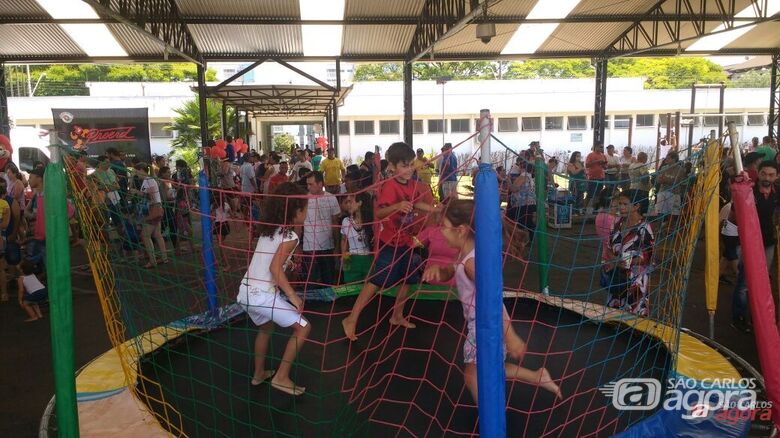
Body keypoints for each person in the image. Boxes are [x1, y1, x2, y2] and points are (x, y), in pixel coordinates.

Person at [421, 199, 561, 401]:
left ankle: (491, 423)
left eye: (443, 226)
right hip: (480, 323)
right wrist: (438, 271)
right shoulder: (466, 254)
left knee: (473, 375)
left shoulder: (472, 263)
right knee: (490, 369)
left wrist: (510, 336)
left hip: (486, 324)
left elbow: (494, 302)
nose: (440, 231)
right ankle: (536, 376)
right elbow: (450, 271)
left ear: (461, 230)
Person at [342, 142, 438, 341]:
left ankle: (396, 315)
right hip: (391, 242)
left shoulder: (412, 184)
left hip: (405, 240)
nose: (410, 168)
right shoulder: (390, 186)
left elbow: (416, 203)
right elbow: (378, 213)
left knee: (408, 279)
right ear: (393, 167)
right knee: (376, 281)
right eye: (404, 165)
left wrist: (434, 209)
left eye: (411, 164)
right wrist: (397, 206)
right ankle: (351, 318)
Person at [237, 182, 311, 396]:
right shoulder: (291, 237)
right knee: (303, 327)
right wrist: (293, 296)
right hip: (261, 295)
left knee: (266, 328)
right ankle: (280, 377)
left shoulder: (269, 230)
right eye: (305, 208)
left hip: (245, 292)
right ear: (296, 211)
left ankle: (259, 374)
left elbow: (273, 264)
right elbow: (274, 268)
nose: (306, 212)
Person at [731, 161, 779, 333]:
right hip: (749, 242)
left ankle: (757, 318)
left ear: (777, 176)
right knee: (744, 281)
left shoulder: (777, 194)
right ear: (758, 173)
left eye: (771, 175)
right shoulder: (748, 191)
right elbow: (735, 212)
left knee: (763, 280)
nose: (767, 177)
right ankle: (739, 317)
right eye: (764, 173)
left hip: (769, 243)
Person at [604, 190, 655, 316]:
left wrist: (628, 262)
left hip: (636, 279)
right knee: (614, 314)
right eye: (619, 203)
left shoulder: (645, 228)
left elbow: (648, 256)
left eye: (625, 204)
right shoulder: (616, 223)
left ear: (637, 206)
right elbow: (608, 247)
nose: (620, 207)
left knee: (635, 314)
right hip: (617, 276)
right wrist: (615, 261)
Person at [302, 171, 341, 287]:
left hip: (327, 246)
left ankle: (328, 302)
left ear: (320, 184)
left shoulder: (331, 198)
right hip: (309, 246)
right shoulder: (304, 199)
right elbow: (299, 224)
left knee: (328, 279)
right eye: (307, 184)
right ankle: (311, 303)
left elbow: (335, 223)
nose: (308, 187)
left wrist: (337, 246)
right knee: (310, 280)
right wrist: (298, 246)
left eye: (311, 184)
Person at [133, 162, 168, 268]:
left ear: (141, 170)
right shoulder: (149, 180)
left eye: (136, 171)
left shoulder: (148, 180)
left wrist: (136, 192)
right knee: (157, 234)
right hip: (158, 208)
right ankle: (164, 257)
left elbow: (150, 195)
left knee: (145, 235)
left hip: (154, 209)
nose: (135, 174)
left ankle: (153, 261)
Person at [416, 212, 459, 287]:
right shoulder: (432, 230)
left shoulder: (463, 235)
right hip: (429, 282)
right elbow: (413, 243)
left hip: (456, 284)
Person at [340, 192, 374, 284]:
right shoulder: (346, 221)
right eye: (346, 202)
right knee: (351, 290)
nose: (348, 205)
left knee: (368, 289)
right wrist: (344, 257)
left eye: (350, 202)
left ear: (360, 203)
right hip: (352, 260)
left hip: (369, 259)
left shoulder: (372, 221)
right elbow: (344, 240)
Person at [654, 151, 686, 222]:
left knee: (673, 214)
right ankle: (660, 228)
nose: (666, 160)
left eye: (668, 158)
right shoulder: (664, 168)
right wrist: (662, 180)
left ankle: (671, 229)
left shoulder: (680, 169)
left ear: (674, 159)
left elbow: (676, 181)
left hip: (674, 193)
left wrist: (666, 179)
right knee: (660, 212)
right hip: (662, 192)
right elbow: (658, 179)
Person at [507, 162, 536, 238]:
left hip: (522, 204)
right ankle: (529, 239)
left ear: (522, 167)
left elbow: (514, 189)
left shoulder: (523, 176)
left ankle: (517, 239)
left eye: (519, 166)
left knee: (515, 221)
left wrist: (508, 180)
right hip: (529, 203)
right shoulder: (530, 177)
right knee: (527, 222)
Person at [585, 143, 607, 211]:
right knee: (591, 194)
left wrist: (603, 164)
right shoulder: (590, 155)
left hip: (601, 177)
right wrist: (596, 161)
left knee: (598, 194)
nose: (601, 148)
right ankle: (587, 209)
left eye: (602, 147)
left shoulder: (603, 155)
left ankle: (594, 208)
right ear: (596, 147)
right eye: (600, 147)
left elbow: (605, 167)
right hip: (592, 178)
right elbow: (587, 165)